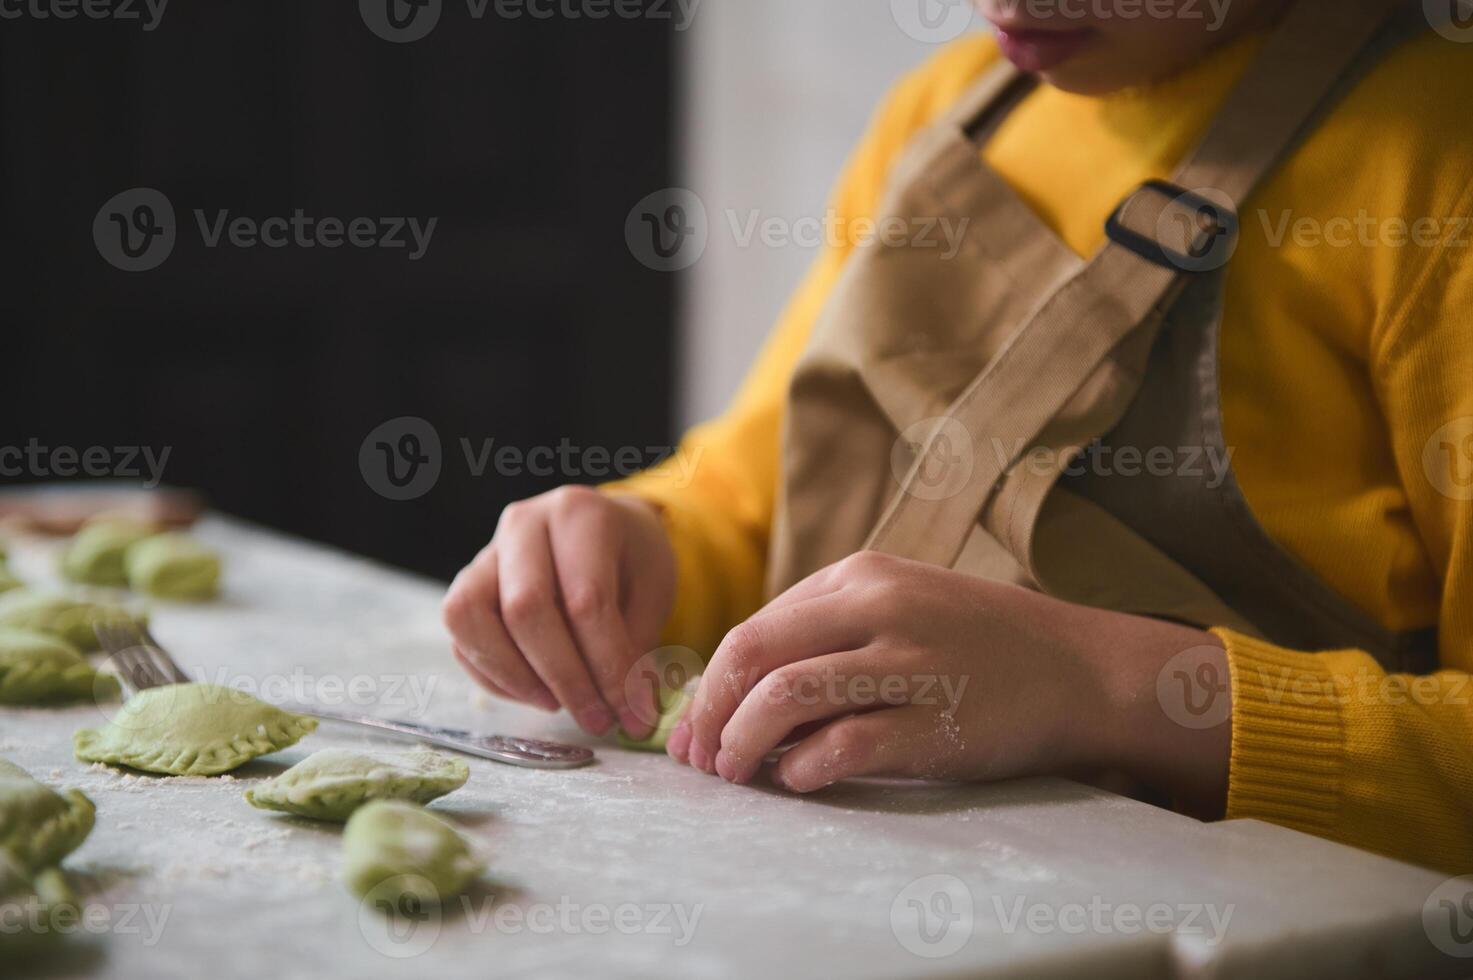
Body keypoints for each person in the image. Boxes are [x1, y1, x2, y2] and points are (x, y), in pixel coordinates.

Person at [443, 0, 1473, 872]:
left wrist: (1108, 685)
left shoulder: (1436, 160)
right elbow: (757, 492)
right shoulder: (952, 109)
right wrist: (643, 541)